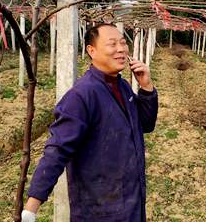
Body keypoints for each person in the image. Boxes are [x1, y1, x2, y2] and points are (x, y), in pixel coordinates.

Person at [22, 23, 158, 222]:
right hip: (99, 210)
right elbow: (58, 150)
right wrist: (31, 208)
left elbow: (145, 124)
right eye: (112, 44)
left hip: (131, 203)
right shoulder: (82, 95)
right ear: (91, 50)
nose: (121, 49)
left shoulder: (123, 86)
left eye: (122, 43)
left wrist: (146, 87)